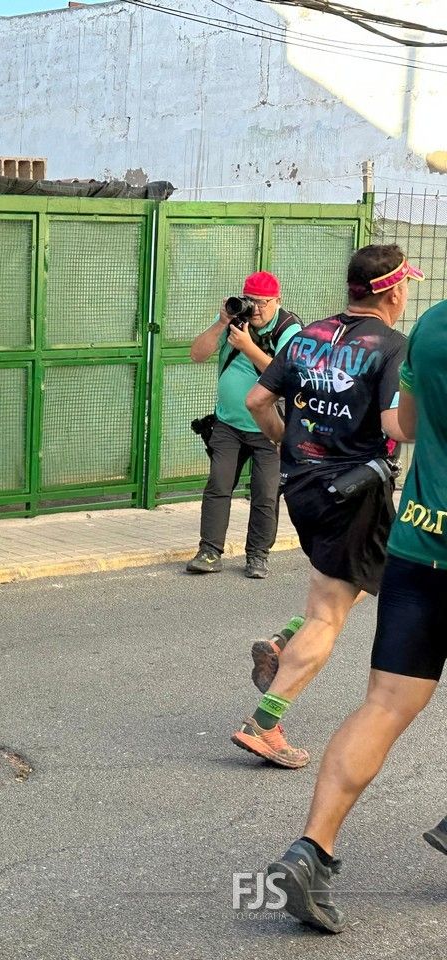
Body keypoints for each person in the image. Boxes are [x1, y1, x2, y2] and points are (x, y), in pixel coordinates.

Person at [265, 291, 446, 934]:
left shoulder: (434, 324)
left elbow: (406, 426)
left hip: (419, 546)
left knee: (384, 706)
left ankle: (310, 851)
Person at [230, 245, 417, 768]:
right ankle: (263, 724)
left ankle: (283, 640)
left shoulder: (308, 334)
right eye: (406, 285)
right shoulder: (392, 347)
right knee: (329, 614)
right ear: (393, 292)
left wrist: (285, 442)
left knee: (368, 574)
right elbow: (395, 426)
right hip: (352, 493)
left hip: (302, 487)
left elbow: (257, 401)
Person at [186, 272, 301, 578]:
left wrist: (248, 346)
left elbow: (285, 376)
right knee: (218, 485)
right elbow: (197, 355)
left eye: (263, 303)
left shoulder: (289, 329)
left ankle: (258, 556)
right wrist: (221, 323)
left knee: (265, 494)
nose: (256, 309)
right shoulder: (235, 318)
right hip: (228, 423)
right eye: (252, 302)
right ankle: (209, 552)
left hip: (270, 428)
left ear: (278, 301)